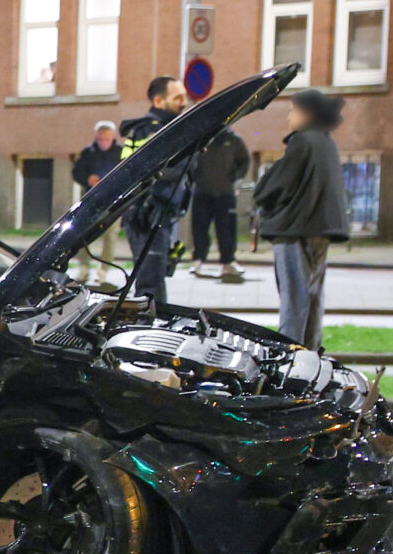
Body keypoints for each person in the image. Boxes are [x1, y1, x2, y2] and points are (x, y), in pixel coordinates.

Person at [253, 88, 348, 349]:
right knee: (313, 297)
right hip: (321, 230)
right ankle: (311, 352)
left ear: (308, 114)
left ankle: (291, 357)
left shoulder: (302, 141)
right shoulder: (326, 141)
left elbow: (273, 186)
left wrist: (263, 197)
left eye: (293, 110)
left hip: (294, 230)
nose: (289, 117)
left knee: (293, 299)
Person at [115, 75, 190, 308]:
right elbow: (141, 172)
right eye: (177, 97)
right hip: (147, 215)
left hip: (159, 215)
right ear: (159, 101)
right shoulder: (151, 131)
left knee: (155, 279)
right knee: (150, 283)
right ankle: (146, 332)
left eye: (184, 96)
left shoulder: (171, 129)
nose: (184, 102)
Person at [189, 123, 251, 284]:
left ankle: (228, 261)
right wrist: (194, 179)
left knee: (226, 228)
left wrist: (234, 179)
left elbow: (244, 161)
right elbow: (190, 162)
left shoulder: (233, 140)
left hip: (225, 192)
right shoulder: (201, 140)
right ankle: (198, 260)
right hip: (202, 191)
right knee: (199, 227)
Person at [64, 119, 123, 280]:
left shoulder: (121, 152)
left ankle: (104, 270)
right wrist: (87, 179)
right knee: (83, 234)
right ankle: (84, 267)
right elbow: (76, 172)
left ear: (113, 137)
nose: (104, 142)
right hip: (90, 200)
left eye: (107, 139)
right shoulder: (88, 153)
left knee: (110, 236)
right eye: (100, 139)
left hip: (113, 201)